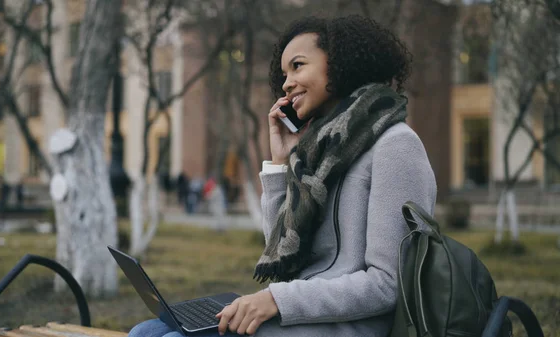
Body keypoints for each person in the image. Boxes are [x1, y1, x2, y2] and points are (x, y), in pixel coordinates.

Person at [127, 15, 437, 337]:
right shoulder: (320, 150)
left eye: (298, 66)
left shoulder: (396, 145)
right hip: (304, 314)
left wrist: (276, 299)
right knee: (145, 332)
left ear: (342, 63)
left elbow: (387, 285)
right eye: (284, 73)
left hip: (352, 327)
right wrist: (280, 161)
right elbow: (285, 259)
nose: (287, 82)